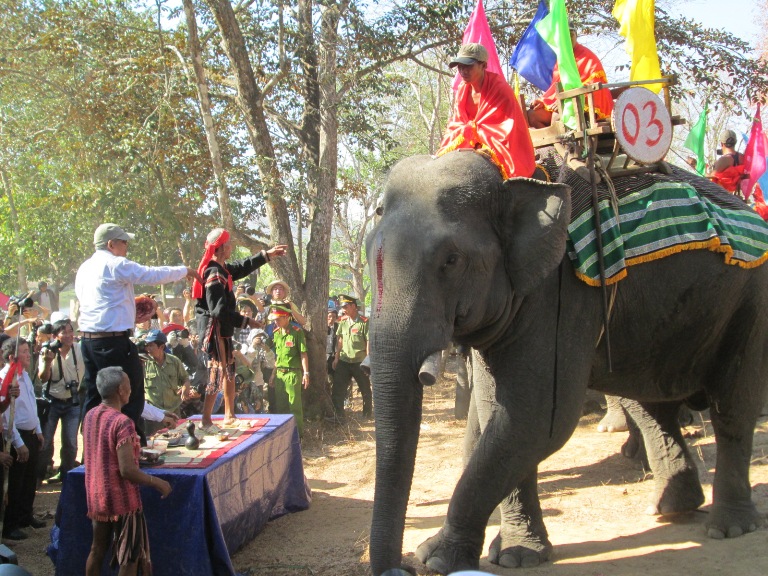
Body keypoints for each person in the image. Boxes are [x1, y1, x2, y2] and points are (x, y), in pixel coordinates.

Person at [75, 223, 201, 443]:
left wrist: (125, 313)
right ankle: (132, 445)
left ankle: (93, 447)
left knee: (95, 396)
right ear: (111, 244)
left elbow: (99, 304)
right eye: (124, 242)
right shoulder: (114, 263)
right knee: (129, 394)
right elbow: (150, 274)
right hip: (113, 342)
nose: (126, 247)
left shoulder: (84, 268)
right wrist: (185, 271)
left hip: (89, 342)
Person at [194, 228, 287, 432]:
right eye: (229, 244)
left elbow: (242, 267)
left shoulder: (222, 268)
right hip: (214, 329)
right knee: (217, 371)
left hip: (223, 329)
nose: (232, 247)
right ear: (221, 248)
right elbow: (218, 311)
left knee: (229, 368)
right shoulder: (214, 273)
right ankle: (206, 420)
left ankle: (229, 415)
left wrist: (267, 255)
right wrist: (245, 321)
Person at [83, 367, 172, 576]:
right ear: (120, 390)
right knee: (130, 555)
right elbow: (127, 470)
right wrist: (158, 482)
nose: (131, 390)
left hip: (96, 494)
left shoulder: (90, 415)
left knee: (97, 548)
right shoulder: (122, 422)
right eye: (129, 385)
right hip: (121, 499)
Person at [436, 43, 536, 180]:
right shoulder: (462, 90)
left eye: (468, 66)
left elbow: (506, 129)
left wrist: (477, 134)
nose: (463, 71)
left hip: (498, 144)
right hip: (469, 141)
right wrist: (469, 133)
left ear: (483, 65)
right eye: (460, 67)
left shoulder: (500, 88)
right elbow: (457, 123)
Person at [0, 338, 45, 541]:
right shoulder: (6, 378)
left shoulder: (25, 375)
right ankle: (10, 524)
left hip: (31, 432)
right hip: (17, 434)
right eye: (24, 351)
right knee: (15, 483)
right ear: (12, 357)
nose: (29, 355)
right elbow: (6, 416)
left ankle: (25, 515)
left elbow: (32, 405)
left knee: (29, 479)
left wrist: (38, 429)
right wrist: (18, 443)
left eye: (28, 350)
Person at [527, 28, 614, 129]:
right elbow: (555, 87)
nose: (568, 38)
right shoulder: (562, 57)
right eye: (565, 35)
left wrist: (567, 99)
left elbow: (594, 83)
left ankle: (564, 138)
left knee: (557, 116)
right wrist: (543, 101)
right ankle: (549, 139)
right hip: (563, 102)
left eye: (571, 34)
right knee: (532, 115)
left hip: (585, 103)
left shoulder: (587, 56)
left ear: (576, 36)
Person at [37, 318, 82, 484]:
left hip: (73, 401)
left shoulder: (79, 349)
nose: (69, 335)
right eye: (65, 332)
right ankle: (39, 475)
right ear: (55, 336)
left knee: (71, 442)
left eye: (71, 331)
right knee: (46, 441)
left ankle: (66, 475)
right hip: (52, 402)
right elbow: (43, 378)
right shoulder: (48, 351)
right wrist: (48, 361)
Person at [141, 330, 193, 436]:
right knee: (154, 441)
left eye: (151, 346)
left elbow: (185, 378)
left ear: (161, 347)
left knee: (177, 438)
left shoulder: (174, 361)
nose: (148, 349)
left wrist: (185, 387)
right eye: (147, 345)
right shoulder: (144, 363)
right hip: (153, 414)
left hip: (173, 411)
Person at [268, 304, 309, 436]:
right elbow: (278, 356)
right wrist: (273, 375)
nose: (275, 322)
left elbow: (303, 354)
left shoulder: (297, 332)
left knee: (294, 406)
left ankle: (298, 436)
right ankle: (284, 437)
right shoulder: (276, 333)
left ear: (286, 317)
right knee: (281, 407)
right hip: (280, 374)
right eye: (274, 319)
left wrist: (306, 373)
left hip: (293, 373)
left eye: (278, 319)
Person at [329, 295, 371, 422]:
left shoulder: (364, 322)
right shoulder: (343, 322)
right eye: (342, 307)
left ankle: (367, 414)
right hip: (344, 361)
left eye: (346, 307)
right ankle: (338, 415)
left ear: (354, 306)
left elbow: (368, 342)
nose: (343, 309)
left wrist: (368, 361)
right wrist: (336, 357)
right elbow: (340, 340)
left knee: (365, 388)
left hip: (359, 361)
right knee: (338, 389)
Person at [710, 129, 747, 195]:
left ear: (722, 144)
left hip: (723, 198)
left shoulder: (723, 160)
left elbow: (711, 181)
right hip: (739, 198)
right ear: (735, 142)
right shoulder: (743, 158)